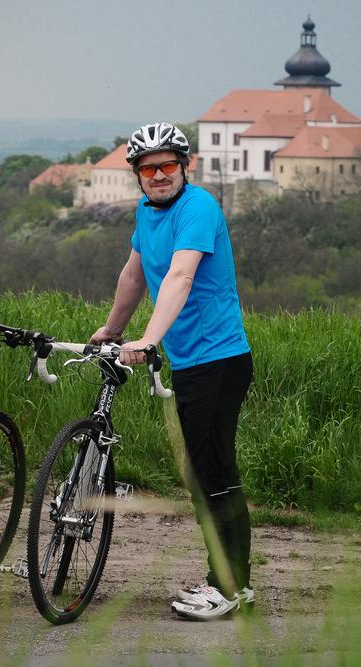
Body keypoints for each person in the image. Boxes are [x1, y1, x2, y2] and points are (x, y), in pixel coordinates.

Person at [90, 122, 254, 621]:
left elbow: (181, 275)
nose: (158, 176)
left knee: (211, 472)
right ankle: (235, 584)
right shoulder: (146, 212)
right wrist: (113, 330)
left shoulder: (198, 207)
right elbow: (135, 274)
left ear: (186, 167)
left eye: (167, 166)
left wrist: (149, 339)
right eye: (148, 168)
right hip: (192, 361)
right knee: (208, 470)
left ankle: (226, 586)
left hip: (218, 360)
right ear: (137, 176)